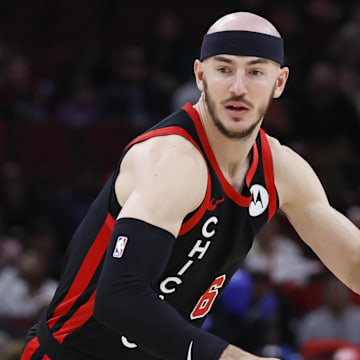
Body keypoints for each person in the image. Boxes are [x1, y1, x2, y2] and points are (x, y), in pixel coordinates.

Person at [21, 11, 360, 360]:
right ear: (200, 75)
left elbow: (352, 264)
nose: (238, 87)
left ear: (280, 82)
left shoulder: (281, 169)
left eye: (256, 71)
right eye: (224, 69)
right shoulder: (173, 161)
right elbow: (119, 297)